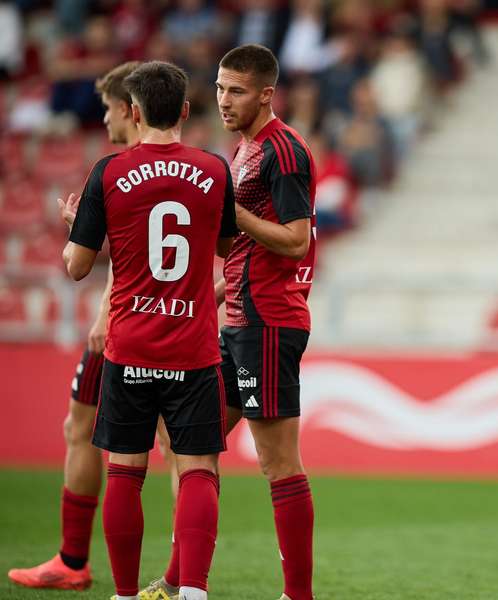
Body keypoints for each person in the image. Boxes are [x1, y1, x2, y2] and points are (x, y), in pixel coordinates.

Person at [143, 43, 317, 600]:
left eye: (236, 90)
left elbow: (294, 241)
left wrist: (229, 210)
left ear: (266, 94)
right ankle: (179, 579)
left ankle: (298, 595)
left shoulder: (282, 152)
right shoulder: (242, 151)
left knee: (278, 462)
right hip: (238, 318)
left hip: (268, 323)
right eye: (219, 88)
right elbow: (244, 251)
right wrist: (208, 296)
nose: (223, 99)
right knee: (188, 442)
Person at [59, 60, 238, 600]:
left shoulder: (108, 172)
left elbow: (76, 266)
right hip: (193, 347)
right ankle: (195, 592)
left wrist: (79, 229)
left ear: (132, 112)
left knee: (125, 471)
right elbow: (228, 248)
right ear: (184, 110)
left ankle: (125, 594)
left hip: (130, 343)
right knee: (198, 468)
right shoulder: (214, 170)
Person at [7, 60, 175, 592]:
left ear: (132, 109)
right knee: (82, 428)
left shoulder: (125, 169)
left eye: (108, 107)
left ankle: (174, 574)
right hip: (146, 319)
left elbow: (116, 264)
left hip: (129, 324)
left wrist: (102, 306)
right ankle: (75, 559)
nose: (103, 119)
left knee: (169, 449)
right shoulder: (146, 167)